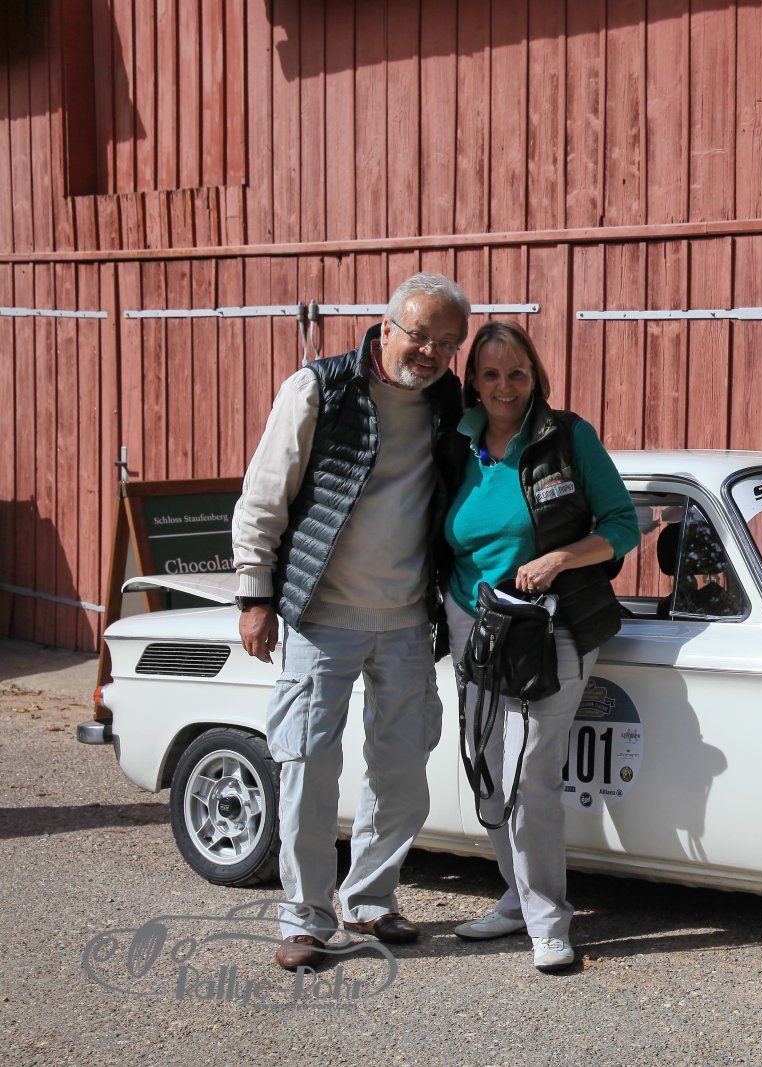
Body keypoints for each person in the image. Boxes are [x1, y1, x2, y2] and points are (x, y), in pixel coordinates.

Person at [232, 272, 468, 970]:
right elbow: (263, 496)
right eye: (420, 335)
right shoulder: (318, 388)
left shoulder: (450, 402)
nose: (430, 352)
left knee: (402, 769)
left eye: (446, 342)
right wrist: (254, 595)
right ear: (386, 326)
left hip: (407, 620)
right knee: (307, 767)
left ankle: (370, 899)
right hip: (321, 614)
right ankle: (304, 918)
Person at [442, 320, 638, 971]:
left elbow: (623, 524)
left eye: (517, 373)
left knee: (530, 775)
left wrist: (559, 558)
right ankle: (517, 895)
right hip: (474, 623)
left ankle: (548, 920)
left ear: (536, 376)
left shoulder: (568, 437)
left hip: (553, 625)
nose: (505, 386)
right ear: (473, 382)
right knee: (486, 770)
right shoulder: (455, 444)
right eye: (491, 374)